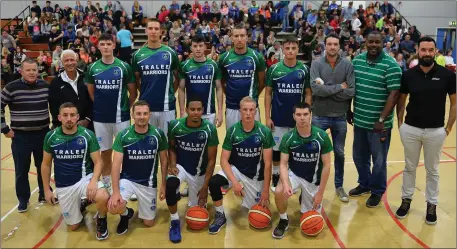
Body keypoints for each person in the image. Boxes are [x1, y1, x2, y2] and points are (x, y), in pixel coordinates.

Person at [395, 36, 456, 225]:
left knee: (433, 170)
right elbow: (401, 101)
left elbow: (454, 104)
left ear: (435, 51)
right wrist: (400, 124)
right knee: (409, 167)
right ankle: (406, 200)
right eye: (423, 50)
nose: (427, 53)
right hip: (411, 129)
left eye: (431, 50)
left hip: (436, 131)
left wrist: (448, 128)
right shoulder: (409, 75)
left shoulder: (448, 75)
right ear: (418, 51)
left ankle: (432, 204)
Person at [348, 31, 402, 207]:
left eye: (377, 42)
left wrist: (381, 119)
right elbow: (351, 87)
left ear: (383, 43)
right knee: (359, 156)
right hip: (360, 121)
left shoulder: (391, 65)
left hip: (379, 125)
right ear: (365, 42)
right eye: (370, 42)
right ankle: (364, 184)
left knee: (378, 161)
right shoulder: (356, 61)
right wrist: (349, 109)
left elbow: (394, 95)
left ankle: (377, 190)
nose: (373, 45)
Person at [41, 102, 109, 240]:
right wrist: (46, 190)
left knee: (103, 196)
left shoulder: (87, 135)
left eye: (72, 115)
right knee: (74, 226)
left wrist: (94, 181)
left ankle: (102, 219)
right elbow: (45, 165)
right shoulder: (51, 136)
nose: (69, 118)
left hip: (84, 179)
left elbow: (98, 162)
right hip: (64, 185)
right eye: (65, 115)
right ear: (59, 117)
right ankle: (81, 203)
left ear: (78, 117)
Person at [207, 96, 273, 234]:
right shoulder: (233, 131)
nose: (248, 113)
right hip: (236, 169)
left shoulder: (264, 132)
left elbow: (268, 164)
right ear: (240, 111)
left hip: (255, 176)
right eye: (245, 110)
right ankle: (220, 215)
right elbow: (224, 160)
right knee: (213, 182)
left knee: (257, 212)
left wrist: (266, 191)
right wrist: (234, 182)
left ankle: (253, 192)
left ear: (255, 111)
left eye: (251, 110)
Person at [272, 102, 332, 239]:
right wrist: (286, 184)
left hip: (313, 179)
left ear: (310, 115)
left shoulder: (321, 137)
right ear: (294, 116)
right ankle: (283, 220)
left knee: (310, 221)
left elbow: (327, 166)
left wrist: (320, 193)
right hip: (295, 174)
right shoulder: (288, 138)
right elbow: (282, 164)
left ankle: (306, 196)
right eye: (298, 114)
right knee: (279, 190)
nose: (302, 118)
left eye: (305, 114)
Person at [85, 33, 137, 193]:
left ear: (114, 46)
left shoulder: (124, 67)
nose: (106, 47)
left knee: (125, 151)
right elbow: (92, 94)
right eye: (103, 44)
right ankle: (107, 183)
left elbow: (133, 93)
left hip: (121, 118)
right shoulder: (93, 68)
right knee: (105, 152)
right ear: (98, 47)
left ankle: (126, 183)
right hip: (100, 119)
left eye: (109, 44)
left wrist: (124, 108)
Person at [107, 101, 169, 234]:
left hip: (148, 183)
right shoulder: (123, 135)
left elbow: (164, 161)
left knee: (149, 223)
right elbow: (116, 165)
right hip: (128, 180)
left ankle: (137, 210)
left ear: (149, 115)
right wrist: (116, 192)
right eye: (138, 113)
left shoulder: (158, 134)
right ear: (132, 115)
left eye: (145, 113)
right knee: (113, 207)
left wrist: (163, 184)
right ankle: (125, 214)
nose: (142, 116)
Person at [1, 58, 53, 212]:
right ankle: (23, 199)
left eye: (34, 70)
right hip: (20, 137)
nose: (31, 73)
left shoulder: (45, 86)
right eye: (28, 70)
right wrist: (4, 129)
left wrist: (54, 127)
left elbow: (56, 105)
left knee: (43, 166)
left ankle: (44, 193)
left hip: (43, 134)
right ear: (21, 71)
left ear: (38, 71)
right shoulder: (11, 88)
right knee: (21, 170)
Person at [165, 96, 219, 243]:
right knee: (170, 185)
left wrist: (205, 186)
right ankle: (175, 221)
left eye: (199, 109)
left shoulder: (209, 129)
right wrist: (173, 164)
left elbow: (212, 159)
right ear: (187, 110)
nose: (195, 112)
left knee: (197, 209)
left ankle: (197, 194)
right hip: (181, 167)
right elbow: (171, 147)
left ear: (203, 110)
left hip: (199, 173)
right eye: (192, 109)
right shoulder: (175, 125)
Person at [310, 33, 355, 202]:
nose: (332, 47)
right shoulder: (316, 64)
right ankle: (312, 184)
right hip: (319, 115)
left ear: (339, 46)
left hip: (340, 117)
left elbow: (351, 91)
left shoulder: (347, 65)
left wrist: (328, 90)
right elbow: (316, 90)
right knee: (315, 151)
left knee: (340, 153)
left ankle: (339, 186)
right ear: (325, 46)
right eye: (329, 44)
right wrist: (339, 88)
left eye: (335, 44)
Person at [264, 36, 312, 192]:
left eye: (293, 48)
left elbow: (308, 94)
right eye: (287, 48)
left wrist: (306, 115)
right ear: (282, 50)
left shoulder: (304, 69)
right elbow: (268, 93)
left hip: (296, 121)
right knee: (277, 151)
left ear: (297, 50)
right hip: (278, 119)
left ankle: (293, 178)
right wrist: (267, 116)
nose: (290, 51)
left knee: (294, 150)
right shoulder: (274, 69)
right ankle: (276, 176)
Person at [132, 19, 179, 136]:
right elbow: (136, 79)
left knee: (168, 143)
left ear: (161, 32)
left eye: (156, 29)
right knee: (149, 143)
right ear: (146, 31)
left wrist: (171, 92)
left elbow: (177, 77)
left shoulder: (170, 53)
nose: (153, 31)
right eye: (151, 28)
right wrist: (143, 91)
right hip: (146, 107)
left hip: (167, 106)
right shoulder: (137, 55)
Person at [218, 23, 266, 130]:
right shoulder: (224, 58)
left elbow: (262, 82)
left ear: (247, 37)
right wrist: (229, 94)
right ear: (231, 38)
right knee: (233, 140)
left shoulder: (257, 57)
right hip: (232, 107)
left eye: (242, 36)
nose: (239, 39)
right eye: (236, 36)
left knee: (254, 141)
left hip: (251, 107)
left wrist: (253, 96)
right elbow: (221, 82)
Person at [178, 35, 223, 127]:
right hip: (190, 113)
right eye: (195, 46)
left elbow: (219, 88)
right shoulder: (184, 65)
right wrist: (182, 111)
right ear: (191, 48)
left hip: (209, 112)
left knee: (210, 140)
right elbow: (181, 89)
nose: (198, 49)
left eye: (200, 46)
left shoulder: (213, 65)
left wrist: (220, 112)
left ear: (205, 47)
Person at [49, 49, 93, 131]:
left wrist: (87, 119)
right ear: (62, 62)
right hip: (66, 127)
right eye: (66, 60)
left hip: (88, 125)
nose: (70, 63)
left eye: (72, 60)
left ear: (76, 60)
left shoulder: (86, 77)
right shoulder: (55, 83)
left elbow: (93, 100)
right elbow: (54, 108)